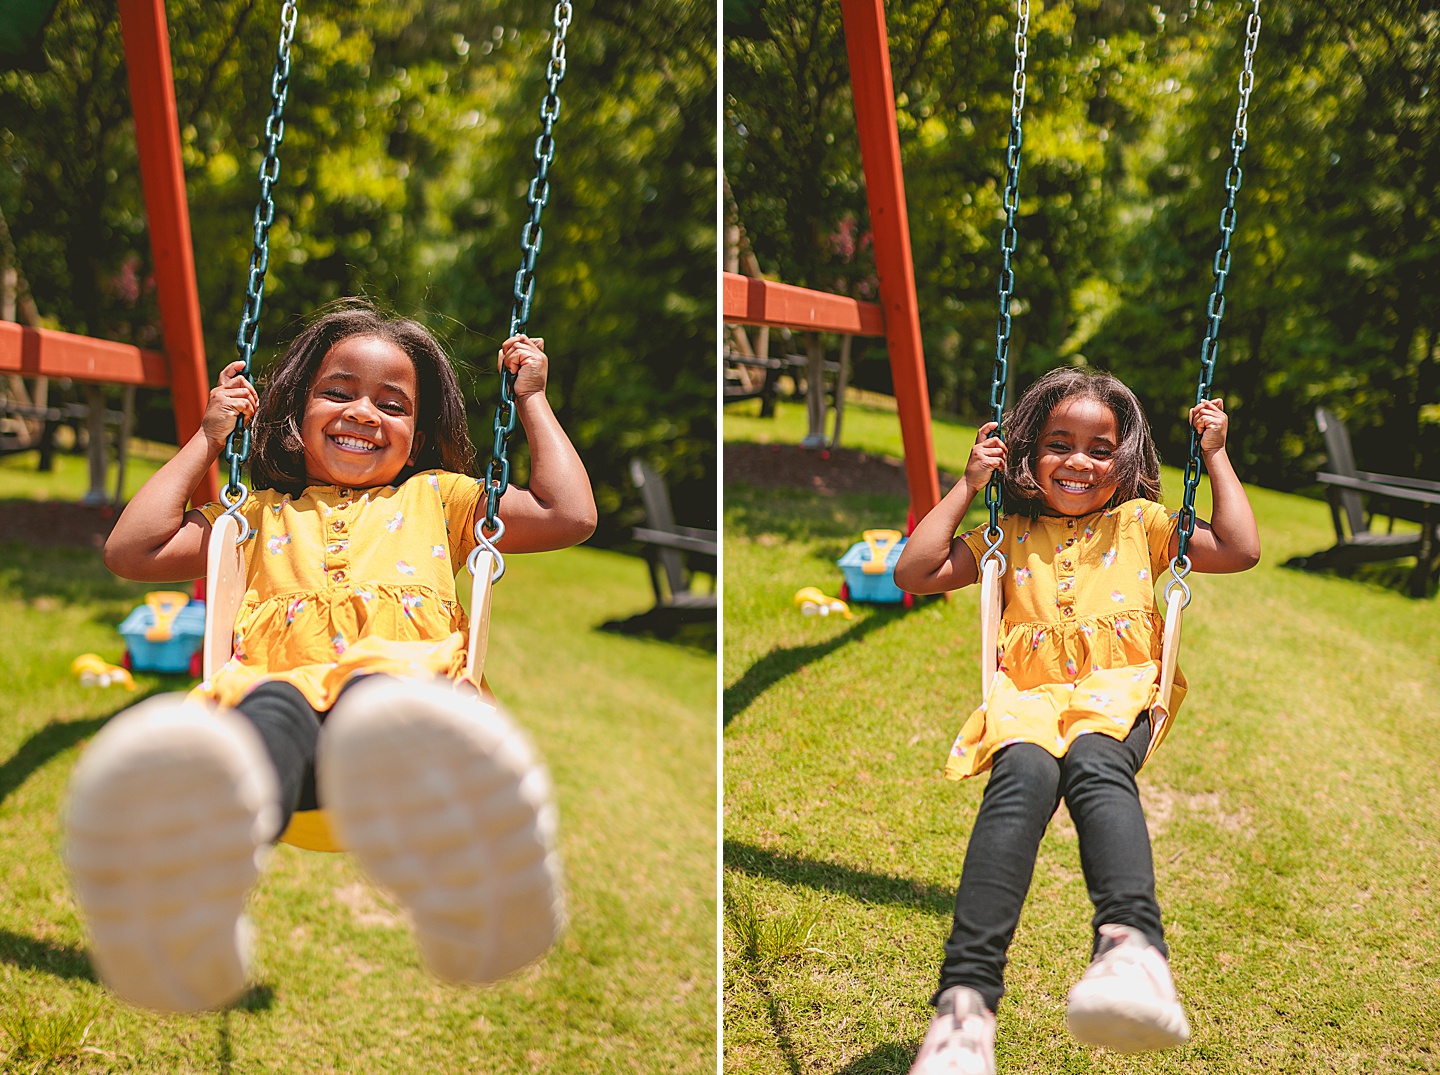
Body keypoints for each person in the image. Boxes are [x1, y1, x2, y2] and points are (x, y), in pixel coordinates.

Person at [67, 302, 597, 1013]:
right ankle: (194, 889)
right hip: (291, 761)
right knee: (269, 706)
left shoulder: (440, 501)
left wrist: (530, 400)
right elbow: (132, 551)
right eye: (338, 391)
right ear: (296, 407)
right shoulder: (255, 515)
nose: (364, 413)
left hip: (406, 739)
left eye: (392, 403)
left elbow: (572, 514)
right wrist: (207, 437)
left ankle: (476, 886)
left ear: (419, 429)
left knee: (377, 698)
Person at [892, 367, 1259, 1073]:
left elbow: (1240, 548)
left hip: (1119, 692)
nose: (1080, 461)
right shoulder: (1009, 533)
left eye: (1100, 446)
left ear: (1125, 458)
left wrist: (1214, 454)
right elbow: (915, 569)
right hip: (1027, 697)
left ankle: (1132, 947)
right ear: (1028, 451)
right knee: (1022, 774)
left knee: (1094, 758)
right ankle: (964, 1010)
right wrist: (970, 484)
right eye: (1060, 442)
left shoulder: (1143, 525)